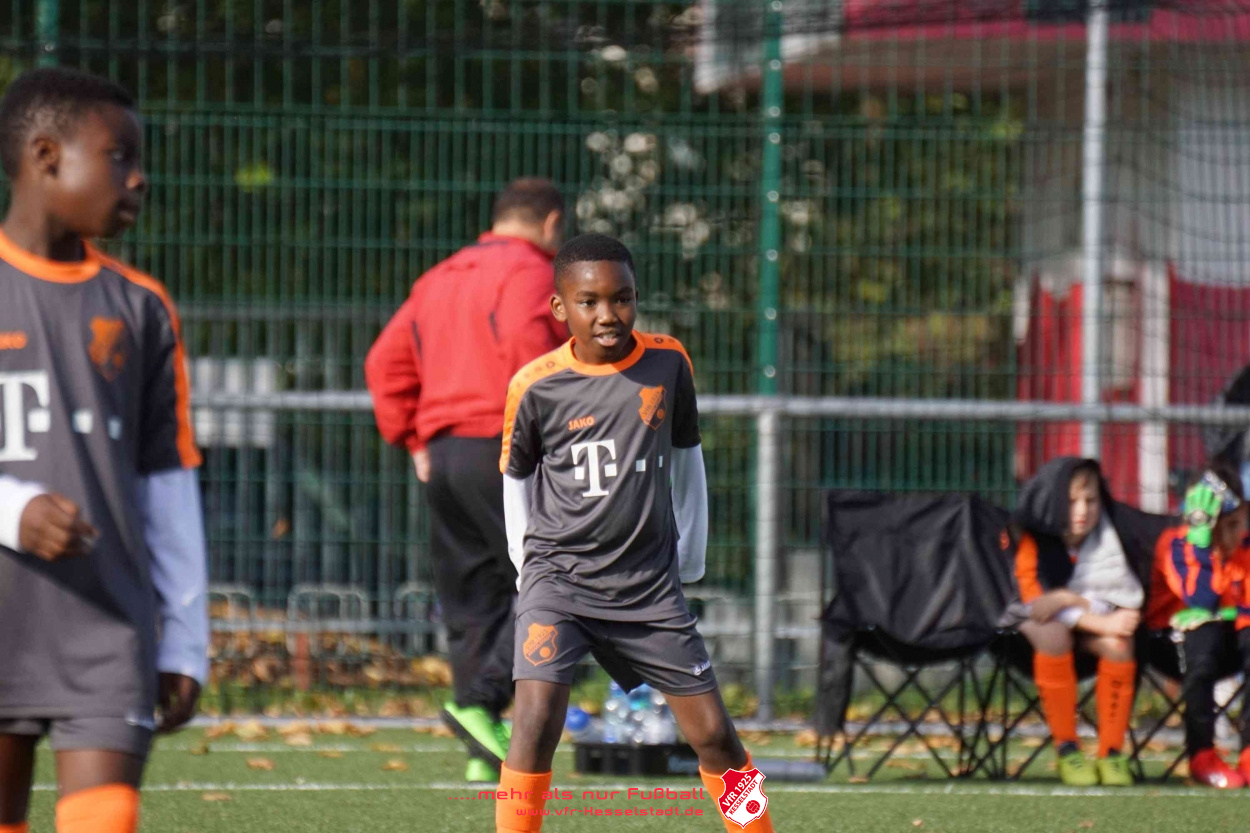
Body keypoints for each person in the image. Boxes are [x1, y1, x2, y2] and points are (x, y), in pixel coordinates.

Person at [495, 233, 775, 833]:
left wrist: (690, 557)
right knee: (535, 723)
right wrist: (527, 571)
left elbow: (688, 459)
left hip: (648, 588)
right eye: (589, 301)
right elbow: (515, 480)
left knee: (715, 736)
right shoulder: (535, 385)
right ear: (560, 308)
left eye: (621, 299)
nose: (607, 314)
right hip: (559, 582)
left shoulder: (668, 363)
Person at [0, 67, 208, 833]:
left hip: (107, 627)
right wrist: (12, 511)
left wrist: (186, 638)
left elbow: (167, 481)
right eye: (119, 156)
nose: (139, 177)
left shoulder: (142, 307)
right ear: (45, 156)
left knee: (107, 817)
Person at [365, 178, 568, 782]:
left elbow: (384, 362)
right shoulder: (533, 274)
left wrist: (413, 437)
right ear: (552, 223)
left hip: (446, 454)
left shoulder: (439, 277)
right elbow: (534, 353)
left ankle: (484, 750)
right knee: (557, 580)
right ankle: (481, 704)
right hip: (505, 446)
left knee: (472, 600)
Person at [1004, 457, 1167, 787]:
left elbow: (1117, 597)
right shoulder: (1034, 538)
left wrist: (1071, 601)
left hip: (1087, 631)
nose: (1082, 511)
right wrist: (1087, 613)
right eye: (1071, 501)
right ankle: (1068, 749)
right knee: (1054, 634)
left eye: (1090, 501)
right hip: (1028, 636)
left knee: (1120, 643)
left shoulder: (1111, 536)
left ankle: (1112, 753)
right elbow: (1037, 606)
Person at [1148, 462, 1250, 788]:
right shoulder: (1177, 545)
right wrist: (1201, 541)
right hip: (1173, 647)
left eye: (1239, 523)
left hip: (1231, 644)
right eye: (1226, 525)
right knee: (1202, 635)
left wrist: (1228, 614)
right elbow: (1201, 600)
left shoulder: (1246, 548)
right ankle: (1202, 754)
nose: (1236, 534)